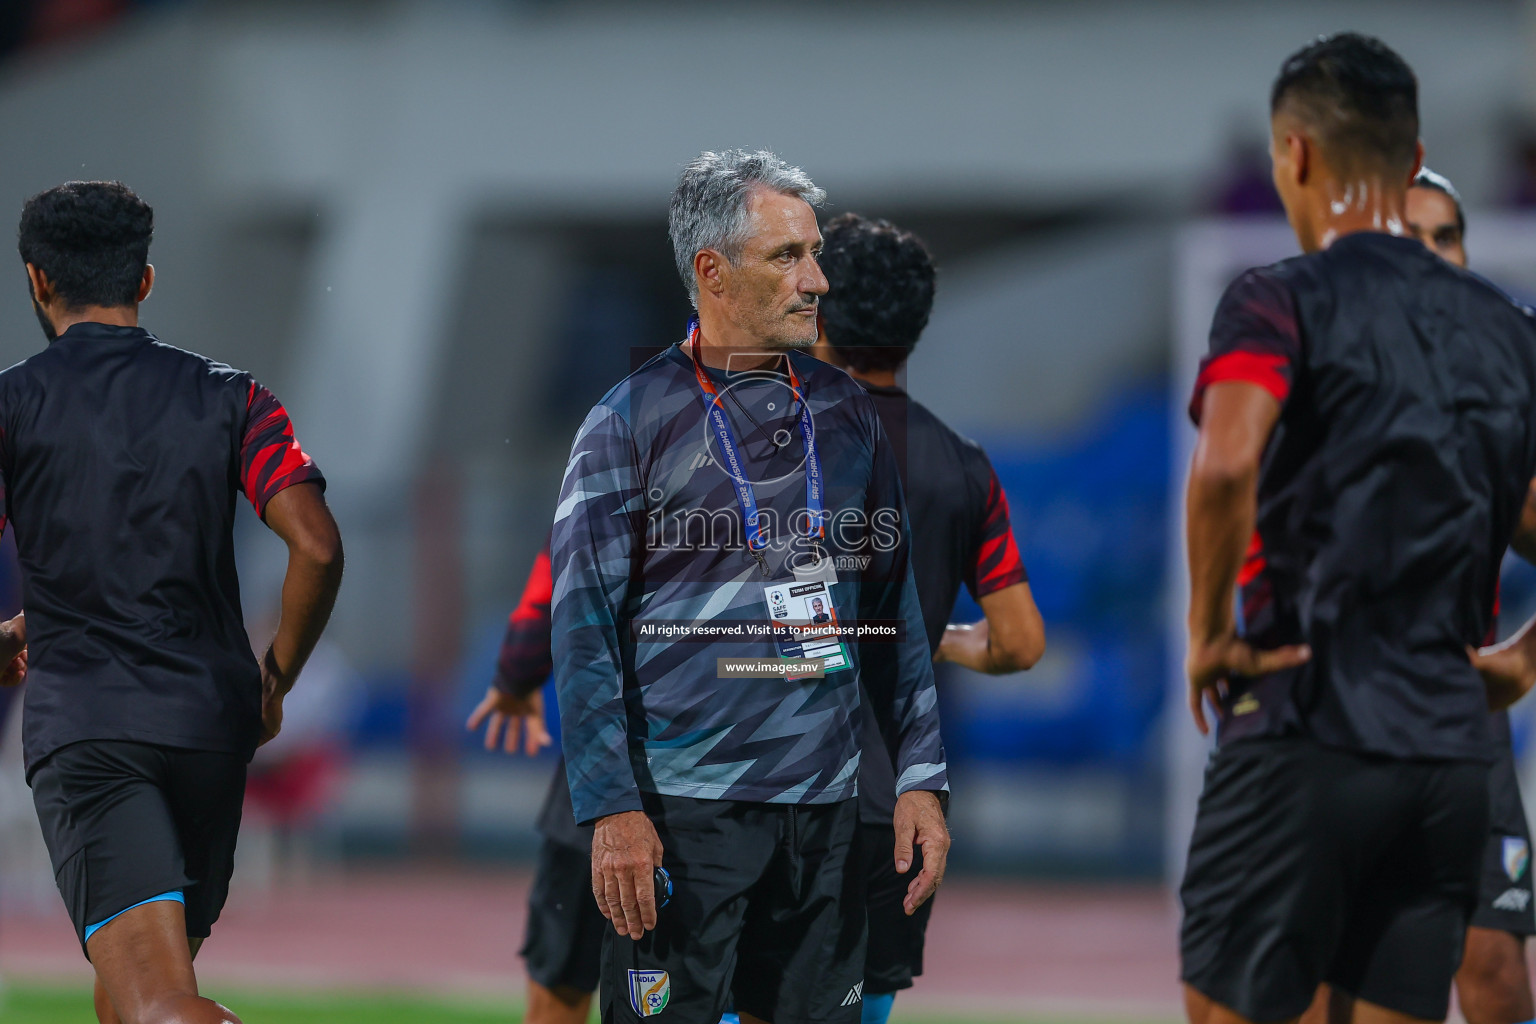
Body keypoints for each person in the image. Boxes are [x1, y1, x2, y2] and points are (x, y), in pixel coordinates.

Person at [1178, 35, 1536, 1024]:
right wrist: (1526, 658)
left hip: (1306, 720)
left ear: (1294, 156)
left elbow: (1228, 466)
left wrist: (1210, 630)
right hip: (1449, 751)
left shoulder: (1275, 298)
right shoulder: (1509, 331)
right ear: (1412, 157)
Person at [551, 149, 950, 1024]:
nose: (817, 281)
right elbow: (582, 633)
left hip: (826, 819)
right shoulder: (626, 423)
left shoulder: (849, 416)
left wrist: (921, 777)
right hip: (686, 817)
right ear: (712, 271)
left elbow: (896, 617)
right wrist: (612, 809)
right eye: (788, 257)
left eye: (814, 254)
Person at [0, 181, 343, 1024]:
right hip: (209, 728)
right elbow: (318, 545)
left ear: (39, 280)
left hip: (89, 729)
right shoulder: (233, 397)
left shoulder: (12, 405)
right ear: (144, 281)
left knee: (154, 1004)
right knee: (130, 993)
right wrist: (277, 681)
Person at [811, 212, 1046, 1024]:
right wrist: (930, 639)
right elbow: (1020, 640)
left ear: (818, 314)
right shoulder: (964, 467)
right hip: (896, 807)